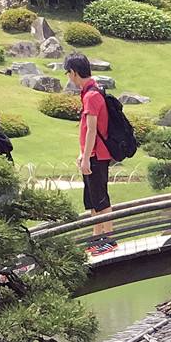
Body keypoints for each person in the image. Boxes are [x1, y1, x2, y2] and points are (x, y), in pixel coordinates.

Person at [65, 53, 114, 251]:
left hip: (97, 155)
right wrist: (82, 153)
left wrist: (86, 158)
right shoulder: (90, 92)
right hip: (92, 154)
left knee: (101, 198)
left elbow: (92, 129)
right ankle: (97, 237)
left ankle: (109, 238)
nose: (68, 77)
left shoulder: (92, 95)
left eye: (68, 73)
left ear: (74, 72)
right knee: (93, 199)